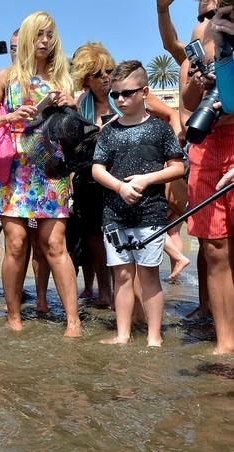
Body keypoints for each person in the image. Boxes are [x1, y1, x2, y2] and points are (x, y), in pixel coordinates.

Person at [0, 11, 81, 336]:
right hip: (15, 170)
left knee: (55, 244)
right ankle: (14, 317)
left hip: (50, 169)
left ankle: (73, 321)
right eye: (38, 35)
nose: (44, 42)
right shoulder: (6, 77)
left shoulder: (63, 78)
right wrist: (11, 117)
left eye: (49, 35)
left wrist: (71, 105)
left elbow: (73, 128)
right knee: (16, 243)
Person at [92, 60, 185, 346]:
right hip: (114, 215)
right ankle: (122, 334)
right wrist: (120, 187)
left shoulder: (159, 129)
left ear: (145, 91)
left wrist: (146, 179)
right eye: (115, 94)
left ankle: (154, 337)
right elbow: (97, 169)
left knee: (148, 277)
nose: (120, 99)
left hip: (151, 215)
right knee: (121, 275)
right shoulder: (109, 131)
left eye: (127, 93)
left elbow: (178, 167)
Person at [181, 1, 234, 353]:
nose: (213, 14)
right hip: (207, 145)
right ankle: (225, 342)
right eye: (206, 10)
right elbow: (187, 103)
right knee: (215, 249)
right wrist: (201, 81)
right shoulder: (202, 34)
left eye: (221, 7)